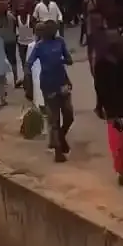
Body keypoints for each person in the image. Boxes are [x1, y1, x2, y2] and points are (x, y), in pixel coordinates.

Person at [94, 29, 123, 185]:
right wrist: (100, 106)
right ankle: (121, 170)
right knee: (117, 141)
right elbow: (99, 88)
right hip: (112, 107)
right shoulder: (101, 63)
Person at [25, 20, 74, 162]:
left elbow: (69, 59)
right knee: (55, 119)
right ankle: (58, 152)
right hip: (48, 84)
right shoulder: (39, 47)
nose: (54, 32)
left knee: (69, 115)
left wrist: (62, 61)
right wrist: (28, 81)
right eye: (52, 30)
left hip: (62, 81)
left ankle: (61, 137)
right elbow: (28, 64)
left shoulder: (60, 42)